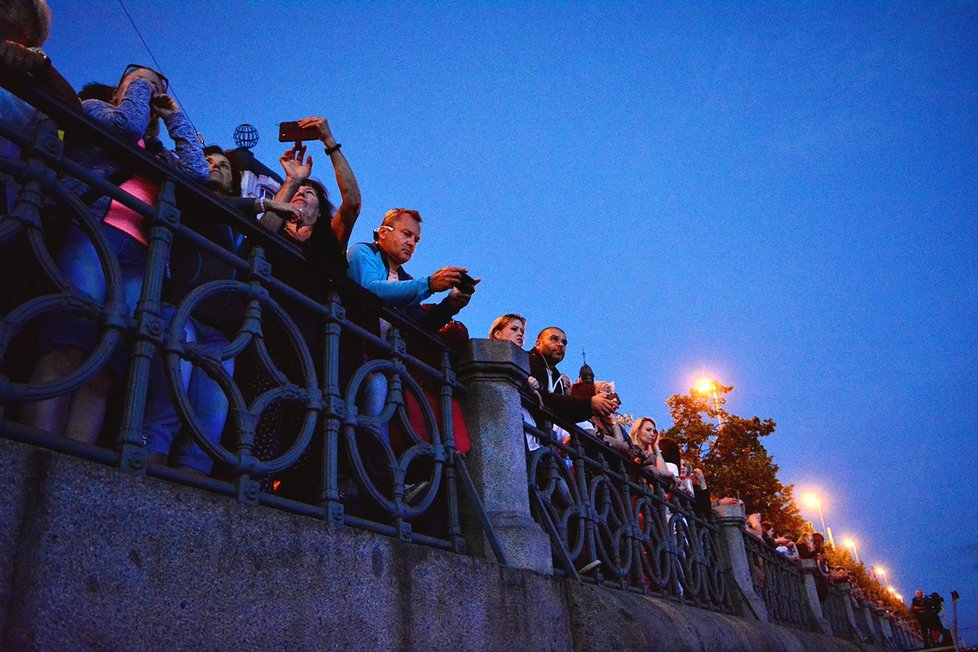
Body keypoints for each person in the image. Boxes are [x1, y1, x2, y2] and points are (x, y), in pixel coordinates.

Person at [24, 64, 207, 444]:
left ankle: (73, 465)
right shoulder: (95, 107)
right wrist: (139, 84)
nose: (151, 88)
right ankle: (36, 449)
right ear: (118, 90)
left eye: (155, 85)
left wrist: (175, 116)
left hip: (142, 259)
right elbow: (126, 127)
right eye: (143, 82)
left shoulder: (157, 153)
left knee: (106, 367)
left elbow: (198, 173)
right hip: (91, 232)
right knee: (68, 344)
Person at [528, 327, 616, 425]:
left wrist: (595, 409)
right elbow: (543, 398)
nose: (561, 344)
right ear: (538, 344)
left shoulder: (557, 378)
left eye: (564, 342)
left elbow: (563, 413)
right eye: (554, 339)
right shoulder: (527, 361)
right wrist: (590, 403)